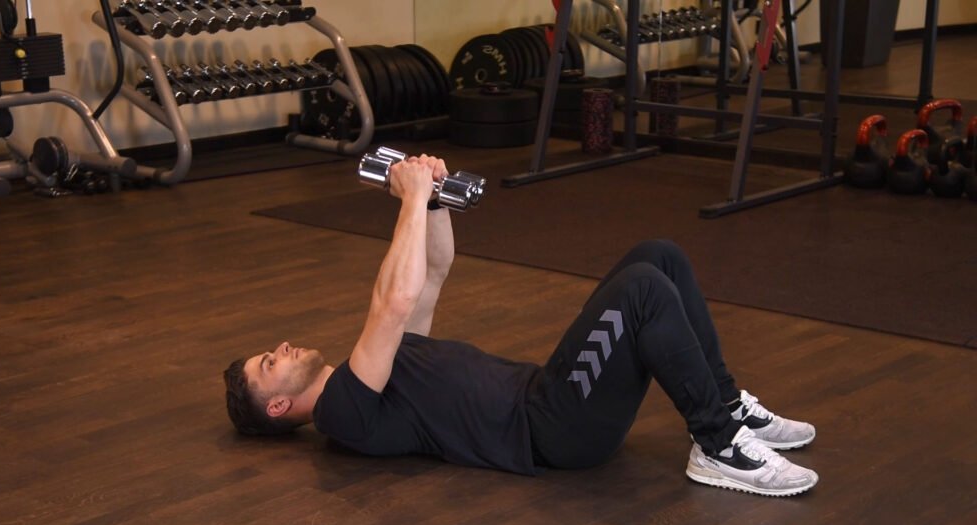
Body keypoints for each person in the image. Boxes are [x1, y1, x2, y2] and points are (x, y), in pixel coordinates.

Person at [223, 153, 818, 497]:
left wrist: (433, 201)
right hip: (554, 428)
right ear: (278, 407)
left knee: (657, 256)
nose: (282, 348)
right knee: (641, 289)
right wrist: (408, 198)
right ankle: (716, 443)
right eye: (268, 364)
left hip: (549, 393)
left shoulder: (371, 374)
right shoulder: (344, 413)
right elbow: (393, 301)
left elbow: (432, 271)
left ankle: (727, 406)